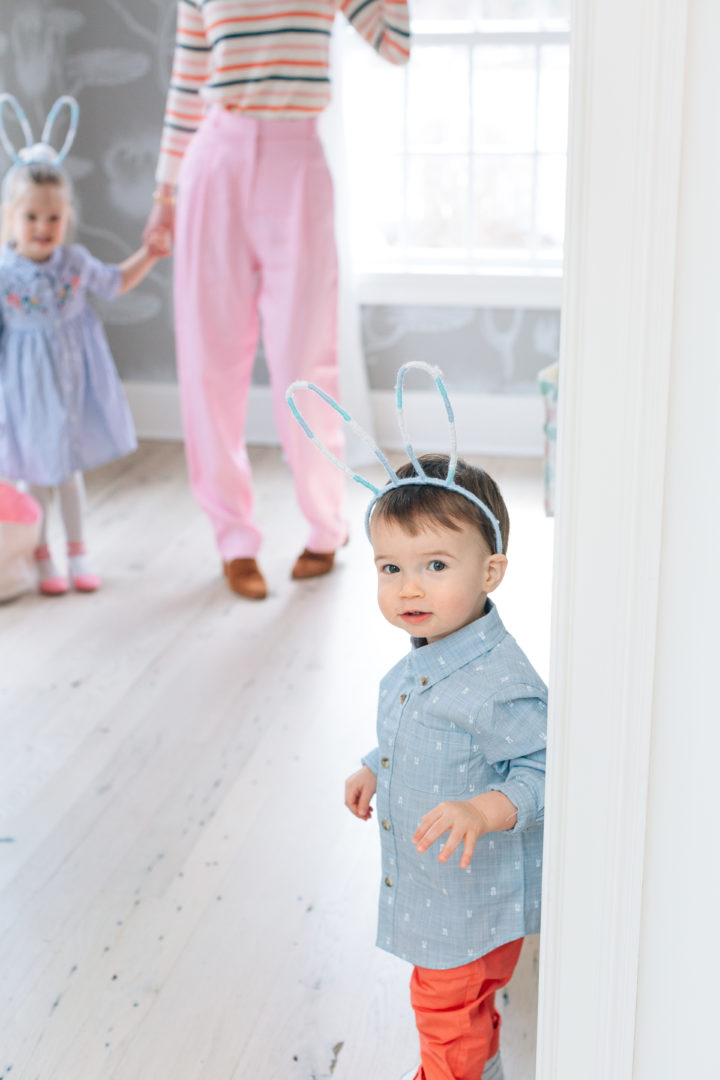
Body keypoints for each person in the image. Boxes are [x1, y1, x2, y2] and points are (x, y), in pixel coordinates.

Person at [287, 364, 547, 1080]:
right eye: (389, 568)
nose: (408, 588)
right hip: (439, 898)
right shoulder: (426, 663)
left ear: (490, 572)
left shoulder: (500, 679)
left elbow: (544, 767)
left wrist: (484, 808)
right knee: (465, 1012)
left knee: (445, 1016)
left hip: (469, 905)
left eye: (435, 564)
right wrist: (375, 765)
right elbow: (422, 730)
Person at [142, 0, 411, 600]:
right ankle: (234, 538)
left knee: (304, 362)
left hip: (297, 164)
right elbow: (188, 81)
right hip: (215, 160)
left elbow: (396, 44)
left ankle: (326, 523)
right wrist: (165, 193)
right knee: (210, 363)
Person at [0, 153, 169, 595]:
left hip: (71, 385)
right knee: (34, 475)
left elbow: (114, 282)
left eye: (53, 216)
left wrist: (149, 254)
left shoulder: (73, 262)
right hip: (26, 391)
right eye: (31, 216)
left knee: (69, 473)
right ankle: (41, 555)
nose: (43, 226)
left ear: (67, 217)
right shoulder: (4, 274)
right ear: (10, 217)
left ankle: (77, 550)